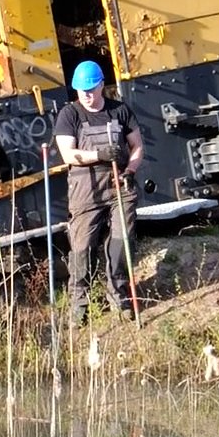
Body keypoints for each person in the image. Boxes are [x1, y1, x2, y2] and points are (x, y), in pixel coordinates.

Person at [52, 60, 145, 324]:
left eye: (91, 89)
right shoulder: (70, 115)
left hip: (120, 186)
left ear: (102, 85)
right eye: (82, 91)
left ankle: (119, 296)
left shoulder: (120, 111)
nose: (87, 95)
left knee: (121, 242)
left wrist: (130, 170)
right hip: (86, 189)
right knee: (82, 248)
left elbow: (137, 147)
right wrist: (99, 154)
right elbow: (68, 154)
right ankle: (79, 305)